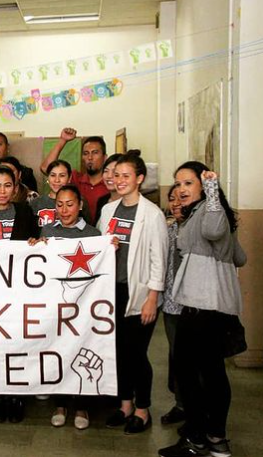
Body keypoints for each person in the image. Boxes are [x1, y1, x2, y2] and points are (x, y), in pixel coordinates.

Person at [158, 162, 247, 457]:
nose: (181, 190)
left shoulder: (210, 211)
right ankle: (213, 438)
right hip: (208, 305)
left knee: (195, 375)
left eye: (188, 183)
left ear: (203, 184)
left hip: (202, 307)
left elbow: (212, 230)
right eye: (178, 184)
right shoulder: (205, 212)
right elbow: (240, 257)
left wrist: (211, 192)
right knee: (208, 373)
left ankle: (200, 438)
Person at [97, 150, 168, 435]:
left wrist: (153, 297)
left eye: (126, 175)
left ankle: (143, 408)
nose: (120, 180)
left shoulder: (152, 214)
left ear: (139, 178)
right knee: (118, 352)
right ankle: (125, 404)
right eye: (116, 175)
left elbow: (158, 259)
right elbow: (100, 248)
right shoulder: (108, 210)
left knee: (137, 353)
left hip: (140, 294)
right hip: (112, 290)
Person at [28, 185, 101, 430]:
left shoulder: (93, 234)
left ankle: (82, 406)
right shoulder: (48, 230)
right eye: (59, 204)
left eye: (70, 204)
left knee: (81, 350)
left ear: (80, 205)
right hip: (55, 306)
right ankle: (60, 404)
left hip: (83, 305)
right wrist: (33, 246)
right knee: (58, 351)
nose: (64, 209)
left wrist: (108, 249)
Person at [0, 165, 38, 425]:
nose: (2, 191)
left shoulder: (25, 211)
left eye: (7, 186)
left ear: (15, 188)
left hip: (18, 291)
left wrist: (36, 244)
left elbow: (38, 242)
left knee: (17, 343)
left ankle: (16, 395)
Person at [41, 127, 108, 225]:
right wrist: (63, 140)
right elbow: (46, 168)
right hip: (77, 235)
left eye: (95, 153)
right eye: (86, 153)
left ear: (105, 157)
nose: (90, 157)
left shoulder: (111, 183)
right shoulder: (75, 179)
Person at [160, 186, 186, 426]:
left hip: (196, 307)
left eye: (182, 198)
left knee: (196, 359)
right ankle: (181, 404)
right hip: (171, 304)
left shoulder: (196, 229)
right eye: (172, 198)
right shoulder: (168, 230)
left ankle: (200, 411)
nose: (176, 203)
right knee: (176, 355)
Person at [30, 160, 90, 227]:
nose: (57, 180)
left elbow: (87, 230)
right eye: (53, 175)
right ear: (48, 178)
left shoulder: (79, 201)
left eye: (62, 175)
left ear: (69, 178)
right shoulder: (36, 203)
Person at [95, 153, 123, 221]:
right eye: (106, 171)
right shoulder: (102, 201)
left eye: (114, 172)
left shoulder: (128, 202)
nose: (109, 176)